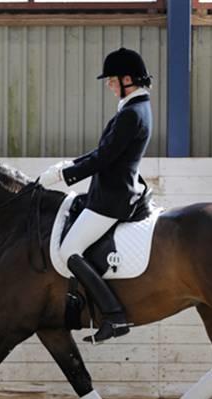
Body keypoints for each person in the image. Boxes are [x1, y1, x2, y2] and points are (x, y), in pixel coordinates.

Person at [39, 47, 153, 343]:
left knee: (69, 250)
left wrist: (66, 176)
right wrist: (70, 165)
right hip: (109, 191)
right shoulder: (135, 108)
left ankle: (114, 316)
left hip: (111, 199)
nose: (108, 84)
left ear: (127, 79)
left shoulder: (131, 113)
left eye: (112, 79)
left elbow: (104, 159)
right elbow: (103, 152)